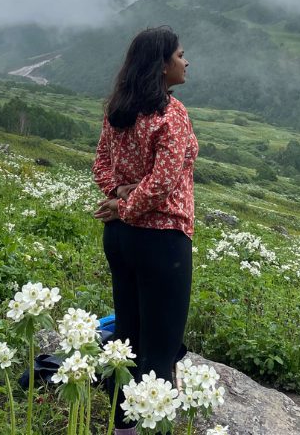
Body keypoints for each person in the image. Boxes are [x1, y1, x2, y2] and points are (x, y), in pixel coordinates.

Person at [92, 25, 198, 435]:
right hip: (162, 242)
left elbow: (101, 164)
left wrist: (119, 201)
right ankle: (152, 427)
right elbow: (165, 181)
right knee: (159, 349)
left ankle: (122, 428)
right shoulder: (172, 114)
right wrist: (129, 205)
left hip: (120, 239)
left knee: (127, 340)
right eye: (181, 55)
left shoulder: (118, 109)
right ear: (162, 64)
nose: (186, 62)